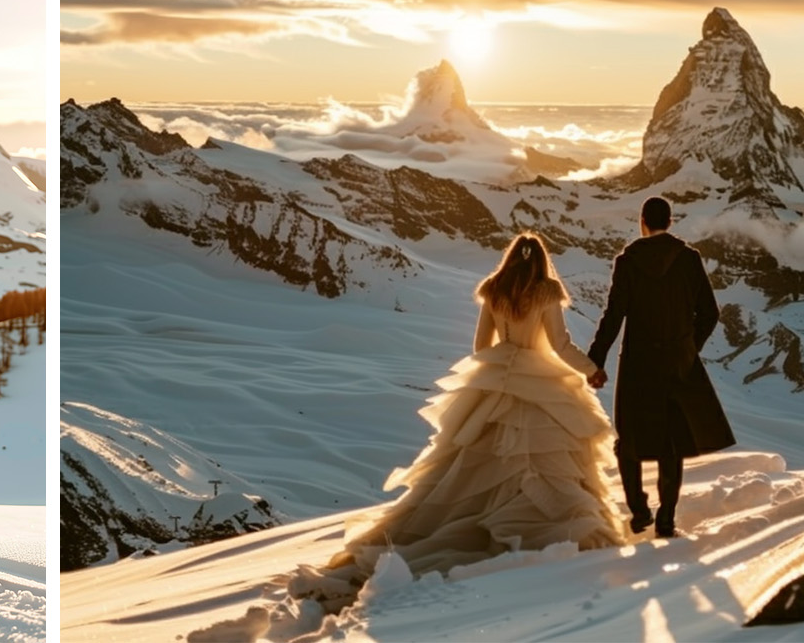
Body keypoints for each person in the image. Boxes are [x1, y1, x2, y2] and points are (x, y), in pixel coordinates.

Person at [297, 232, 624, 611]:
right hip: (540, 384)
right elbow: (561, 344)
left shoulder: (494, 290)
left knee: (473, 464)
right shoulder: (547, 291)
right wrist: (591, 371)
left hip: (495, 381)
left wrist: (500, 366)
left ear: (511, 258)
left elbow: (480, 348)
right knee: (542, 463)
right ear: (541, 262)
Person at [586, 196, 735, 539]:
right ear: (670, 222)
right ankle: (666, 519)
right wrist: (688, 348)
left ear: (643, 221)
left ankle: (639, 511)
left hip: (638, 362)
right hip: (677, 362)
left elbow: (614, 316)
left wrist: (596, 360)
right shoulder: (689, 259)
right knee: (673, 441)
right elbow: (710, 313)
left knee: (629, 439)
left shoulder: (628, 261)